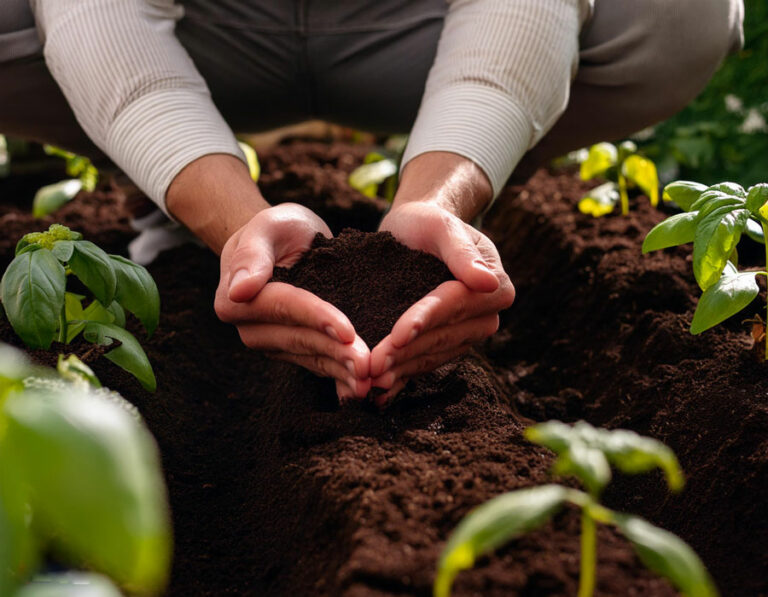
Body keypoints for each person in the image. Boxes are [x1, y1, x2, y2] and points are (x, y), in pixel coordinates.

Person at [0, 1, 744, 404]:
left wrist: (438, 197)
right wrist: (237, 221)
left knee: (683, 10)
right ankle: (178, 190)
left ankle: (473, 175)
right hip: (214, 27)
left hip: (413, 25)